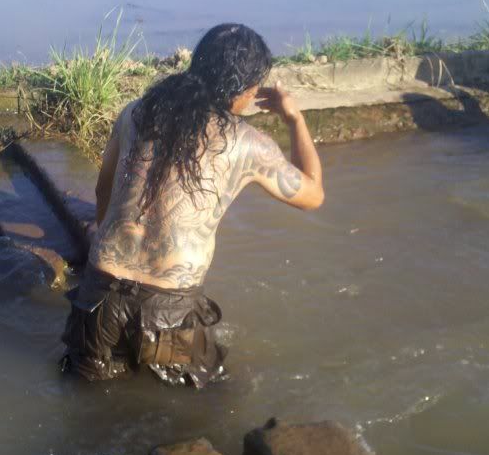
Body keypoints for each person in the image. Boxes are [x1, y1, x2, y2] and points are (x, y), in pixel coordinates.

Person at [60, 23, 324, 387]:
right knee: (208, 401)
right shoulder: (247, 143)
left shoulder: (135, 113)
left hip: (98, 298)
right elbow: (314, 195)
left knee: (88, 394)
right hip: (169, 312)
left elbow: (103, 188)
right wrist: (295, 118)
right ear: (244, 90)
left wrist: (101, 240)